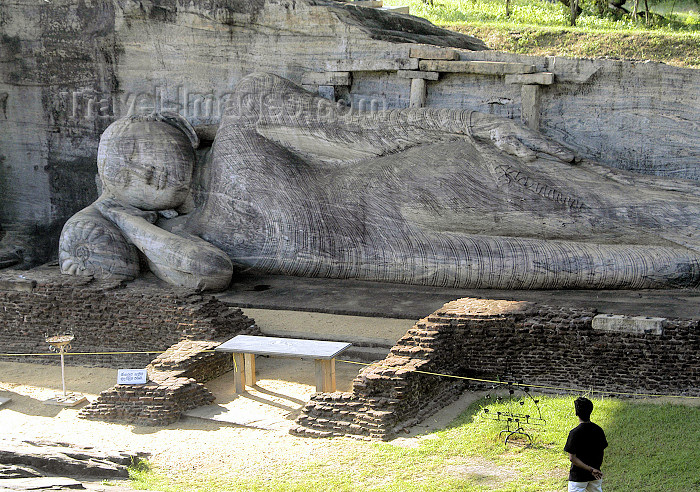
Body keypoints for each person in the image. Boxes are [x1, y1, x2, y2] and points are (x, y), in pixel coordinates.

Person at [60, 72, 700, 290]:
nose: (146, 168)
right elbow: (205, 276)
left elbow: (359, 135)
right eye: (131, 177)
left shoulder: (246, 115)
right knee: (639, 266)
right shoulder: (197, 238)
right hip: (414, 255)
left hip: (432, 183)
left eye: (138, 146)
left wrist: (476, 128)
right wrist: (121, 218)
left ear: (169, 126)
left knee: (647, 213)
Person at [564, 397, 608, 492]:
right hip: (596, 475)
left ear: (576, 413)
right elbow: (601, 452)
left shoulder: (574, 433)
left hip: (578, 477)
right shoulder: (599, 430)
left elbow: (572, 458)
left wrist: (590, 469)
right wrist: (594, 469)